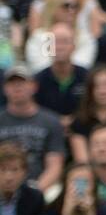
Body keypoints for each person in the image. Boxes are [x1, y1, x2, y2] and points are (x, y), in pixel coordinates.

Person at [0, 64, 64, 194]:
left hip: (40, 187)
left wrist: (35, 192)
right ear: (4, 89)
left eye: (22, 83)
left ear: (34, 86)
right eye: (12, 83)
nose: (17, 87)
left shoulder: (51, 121)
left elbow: (55, 166)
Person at [0, 139, 46, 215]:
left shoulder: (35, 198)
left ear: (25, 173)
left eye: (15, 170)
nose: (9, 177)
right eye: (2, 170)